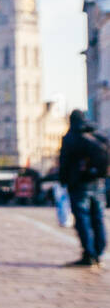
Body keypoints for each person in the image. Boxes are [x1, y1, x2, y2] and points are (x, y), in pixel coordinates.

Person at [58, 109, 108, 267]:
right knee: (98, 218)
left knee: (83, 219)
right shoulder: (97, 134)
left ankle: (89, 254)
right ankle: (99, 252)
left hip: (79, 184)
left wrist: (64, 180)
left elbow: (64, 162)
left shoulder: (71, 137)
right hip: (98, 182)